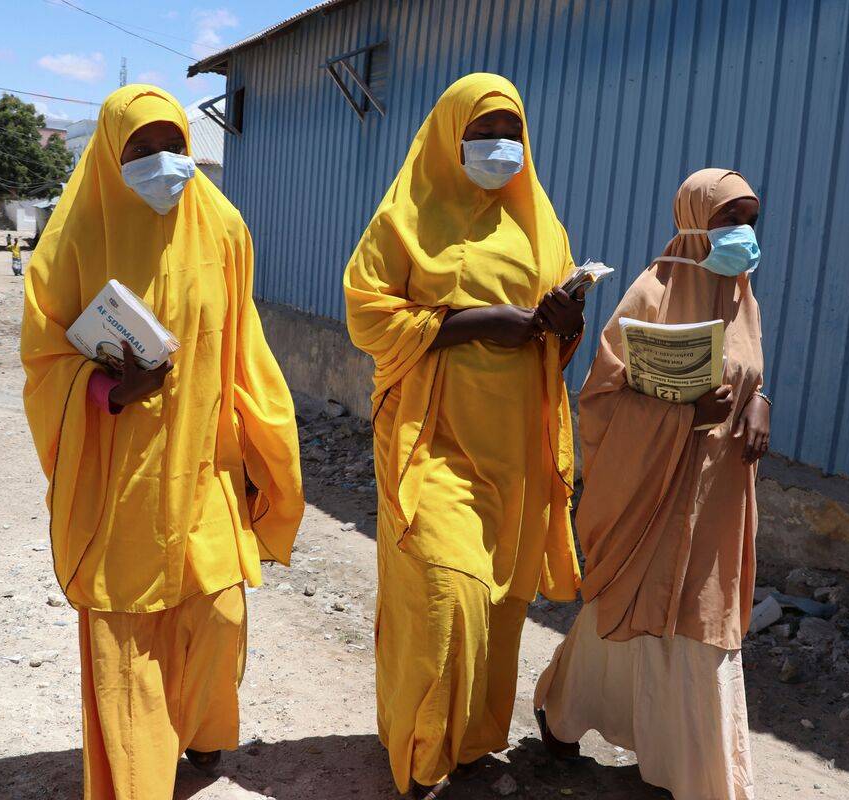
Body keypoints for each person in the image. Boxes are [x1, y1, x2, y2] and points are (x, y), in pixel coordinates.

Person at [19, 84, 304, 800]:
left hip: (206, 466)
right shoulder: (76, 235)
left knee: (218, 612)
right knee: (128, 637)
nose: (161, 163)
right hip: (119, 473)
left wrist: (266, 452)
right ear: (111, 157)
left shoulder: (225, 226)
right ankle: (137, 781)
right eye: (139, 151)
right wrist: (108, 390)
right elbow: (44, 358)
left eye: (172, 145)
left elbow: (244, 344)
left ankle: (201, 729)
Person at [344, 72, 585, 798]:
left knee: (501, 603)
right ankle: (420, 752)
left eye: (510, 132)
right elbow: (366, 313)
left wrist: (561, 326)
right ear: (451, 136)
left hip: (513, 444)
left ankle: (472, 738)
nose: (499, 147)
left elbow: (554, 327)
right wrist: (470, 323)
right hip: (433, 438)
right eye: (482, 133)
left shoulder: (539, 222)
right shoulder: (404, 219)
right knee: (448, 592)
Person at [534, 168, 769, 800]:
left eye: (750, 220)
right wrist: (684, 417)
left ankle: (697, 773)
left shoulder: (743, 294)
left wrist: (757, 404)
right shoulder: (650, 293)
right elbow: (601, 404)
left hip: (717, 496)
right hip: (650, 494)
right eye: (728, 220)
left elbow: (749, 369)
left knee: (699, 620)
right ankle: (564, 714)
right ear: (695, 222)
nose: (742, 234)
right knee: (634, 601)